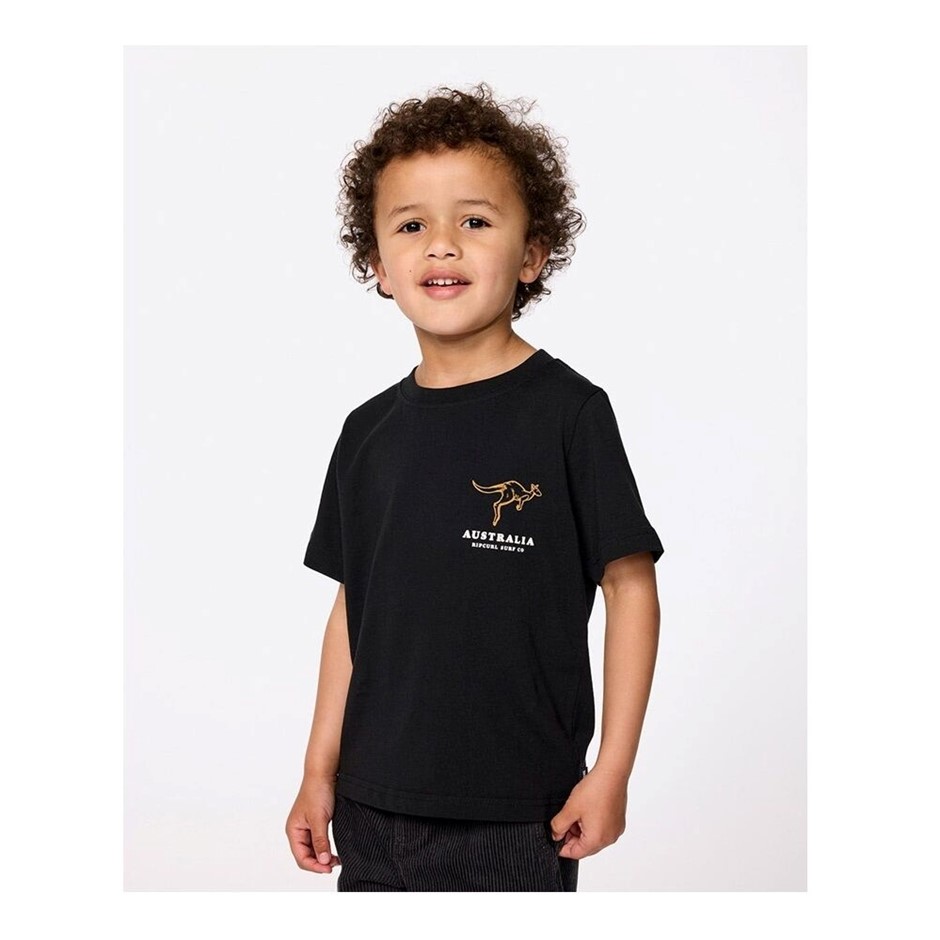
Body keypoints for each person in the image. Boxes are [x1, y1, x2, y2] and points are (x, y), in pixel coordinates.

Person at [285, 83, 665, 892]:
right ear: (378, 265)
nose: (442, 247)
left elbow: (630, 587)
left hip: (518, 815)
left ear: (532, 255)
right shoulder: (366, 433)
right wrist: (318, 771)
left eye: (476, 222)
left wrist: (612, 770)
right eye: (411, 226)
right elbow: (353, 609)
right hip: (370, 806)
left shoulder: (569, 413)